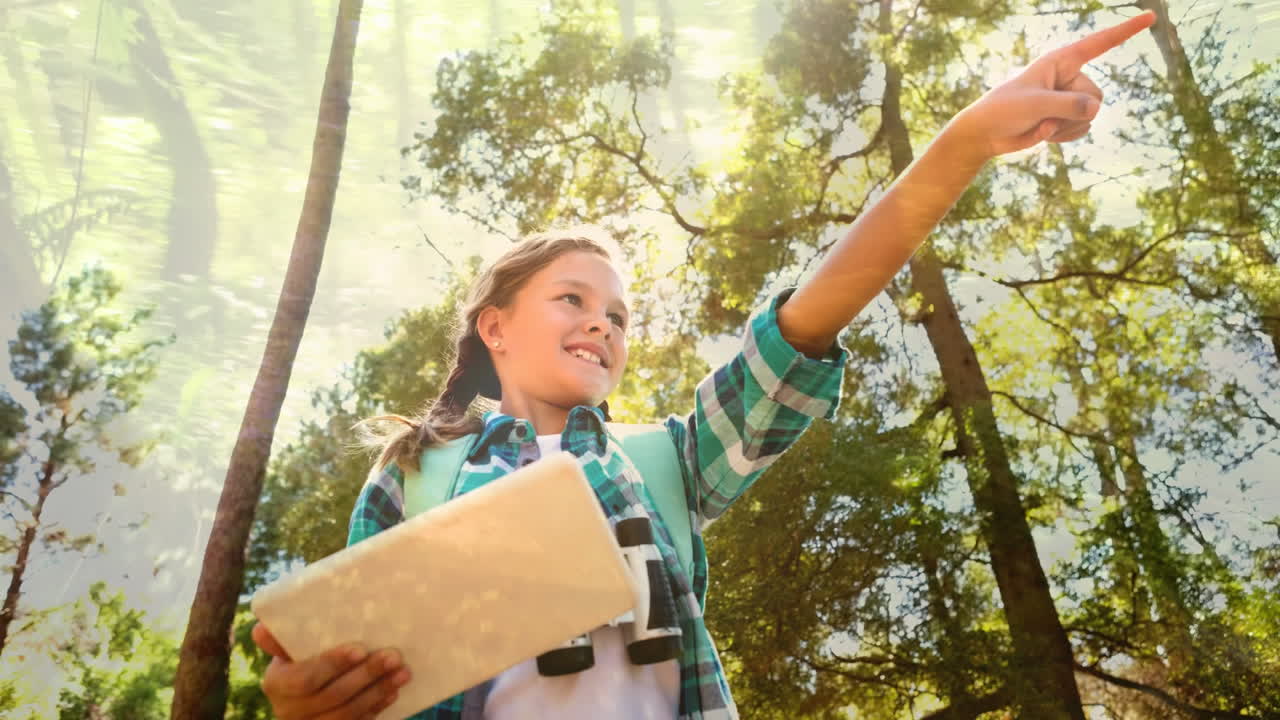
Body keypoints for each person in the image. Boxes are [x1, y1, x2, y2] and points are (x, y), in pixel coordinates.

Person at [250, 10, 1156, 719]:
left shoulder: (668, 464)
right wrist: (308, 704)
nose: (601, 325)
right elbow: (351, 674)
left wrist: (962, 145)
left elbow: (804, 324)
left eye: (618, 315)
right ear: (494, 326)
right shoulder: (416, 473)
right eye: (572, 299)